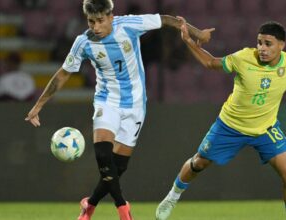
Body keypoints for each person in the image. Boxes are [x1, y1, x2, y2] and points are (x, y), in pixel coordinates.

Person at [24, 1, 211, 219]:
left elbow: (168, 19)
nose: (95, 27)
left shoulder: (129, 25)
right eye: (91, 21)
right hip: (107, 102)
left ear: (111, 16)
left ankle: (89, 205)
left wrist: (198, 34)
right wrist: (39, 105)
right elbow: (63, 74)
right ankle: (123, 208)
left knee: (117, 169)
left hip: (135, 105)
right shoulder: (83, 42)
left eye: (100, 21)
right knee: (103, 156)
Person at [155, 18, 286, 220]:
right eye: (259, 42)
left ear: (282, 45)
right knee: (198, 163)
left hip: (265, 128)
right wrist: (188, 40)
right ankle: (173, 196)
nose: (262, 48)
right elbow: (210, 62)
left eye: (268, 44)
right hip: (230, 126)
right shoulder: (243, 58)